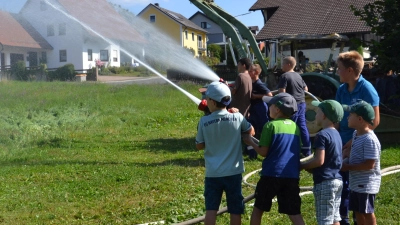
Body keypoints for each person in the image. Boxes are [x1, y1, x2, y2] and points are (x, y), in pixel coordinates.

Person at [195, 81, 254, 225]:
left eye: (207, 99)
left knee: (211, 209)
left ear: (213, 102)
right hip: (233, 172)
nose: (205, 101)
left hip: (213, 173)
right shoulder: (237, 117)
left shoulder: (204, 121)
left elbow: (199, 146)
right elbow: (251, 131)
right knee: (235, 209)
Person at [242, 93, 305, 225]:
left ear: (277, 109)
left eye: (270, 105)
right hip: (291, 175)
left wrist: (250, 142)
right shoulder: (295, 127)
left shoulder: (270, 126)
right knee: (294, 212)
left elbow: (263, 152)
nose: (268, 107)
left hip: (271, 174)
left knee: (258, 209)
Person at [335, 51, 380, 225]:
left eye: (340, 69)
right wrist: (337, 142)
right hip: (344, 141)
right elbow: (338, 118)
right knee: (344, 184)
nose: (337, 71)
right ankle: (345, 217)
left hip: (358, 141)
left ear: (351, 71)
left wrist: (353, 141)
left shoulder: (367, 89)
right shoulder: (341, 89)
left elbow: (374, 121)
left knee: (356, 184)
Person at [300, 100, 344, 225]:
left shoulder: (322, 135)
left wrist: (302, 166)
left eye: (318, 111)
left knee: (325, 220)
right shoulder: (337, 134)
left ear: (324, 115)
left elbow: (319, 160)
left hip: (325, 183)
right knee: (335, 218)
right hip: (337, 180)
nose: (316, 114)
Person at [341, 100, 381, 225]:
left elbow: (370, 165)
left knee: (367, 212)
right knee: (358, 211)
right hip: (356, 183)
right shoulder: (356, 134)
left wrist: (347, 167)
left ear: (360, 119)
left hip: (366, 185)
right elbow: (351, 151)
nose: (347, 117)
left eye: (350, 115)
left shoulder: (370, 139)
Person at [278, 56, 311, 157]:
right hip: (302, 103)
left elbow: (282, 93)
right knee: (302, 126)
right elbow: (306, 89)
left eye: (283, 63)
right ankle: (307, 150)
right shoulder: (298, 76)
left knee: (288, 127)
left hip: (291, 105)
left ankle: (288, 150)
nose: (281, 65)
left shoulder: (284, 76)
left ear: (288, 65)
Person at [246, 64, 273, 159]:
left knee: (264, 130)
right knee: (251, 130)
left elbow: (269, 95)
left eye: (250, 71)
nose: (248, 73)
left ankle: (269, 151)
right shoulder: (251, 83)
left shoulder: (259, 84)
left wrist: (256, 96)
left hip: (260, 108)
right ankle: (252, 154)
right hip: (253, 109)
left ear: (256, 72)